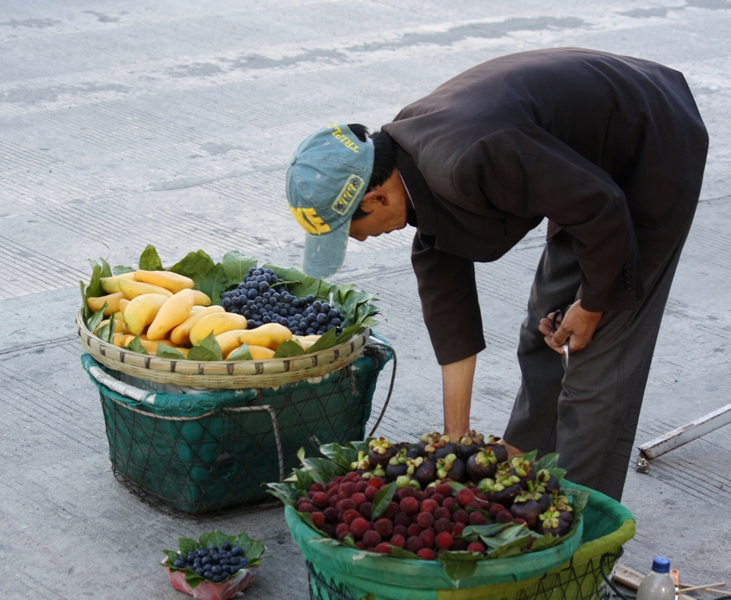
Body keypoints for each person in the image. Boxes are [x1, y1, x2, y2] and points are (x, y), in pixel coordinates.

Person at [285, 47, 708, 501]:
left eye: (352, 229)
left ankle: (583, 529)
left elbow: (602, 209)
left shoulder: (470, 157)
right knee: (544, 326)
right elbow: (453, 326)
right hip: (585, 172)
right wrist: (456, 442)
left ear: (375, 197)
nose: (360, 241)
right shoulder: (413, 171)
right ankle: (522, 463)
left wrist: (592, 304)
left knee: (599, 360)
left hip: (651, 138)